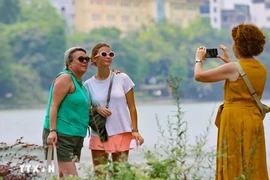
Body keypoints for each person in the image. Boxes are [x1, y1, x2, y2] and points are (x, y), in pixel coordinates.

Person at [194, 23, 269, 179]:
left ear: (239, 45)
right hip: (253, 119)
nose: (232, 45)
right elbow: (242, 78)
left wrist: (198, 59)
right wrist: (229, 62)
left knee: (232, 160)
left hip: (234, 119)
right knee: (253, 161)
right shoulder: (262, 68)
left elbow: (199, 76)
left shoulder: (233, 68)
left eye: (234, 42)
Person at [84, 43, 144, 175]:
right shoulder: (88, 84)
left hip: (121, 131)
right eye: (104, 54)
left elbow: (132, 106)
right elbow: (84, 110)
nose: (108, 56)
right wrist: (97, 109)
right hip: (100, 133)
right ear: (94, 59)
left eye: (111, 54)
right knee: (100, 174)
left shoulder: (122, 78)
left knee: (120, 174)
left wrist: (135, 130)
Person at [42, 47, 90, 177]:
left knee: (64, 176)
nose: (85, 61)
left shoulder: (80, 84)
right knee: (72, 177)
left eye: (87, 59)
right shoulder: (65, 78)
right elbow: (54, 105)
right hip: (61, 135)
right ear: (69, 63)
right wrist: (52, 131)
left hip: (75, 135)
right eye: (80, 59)